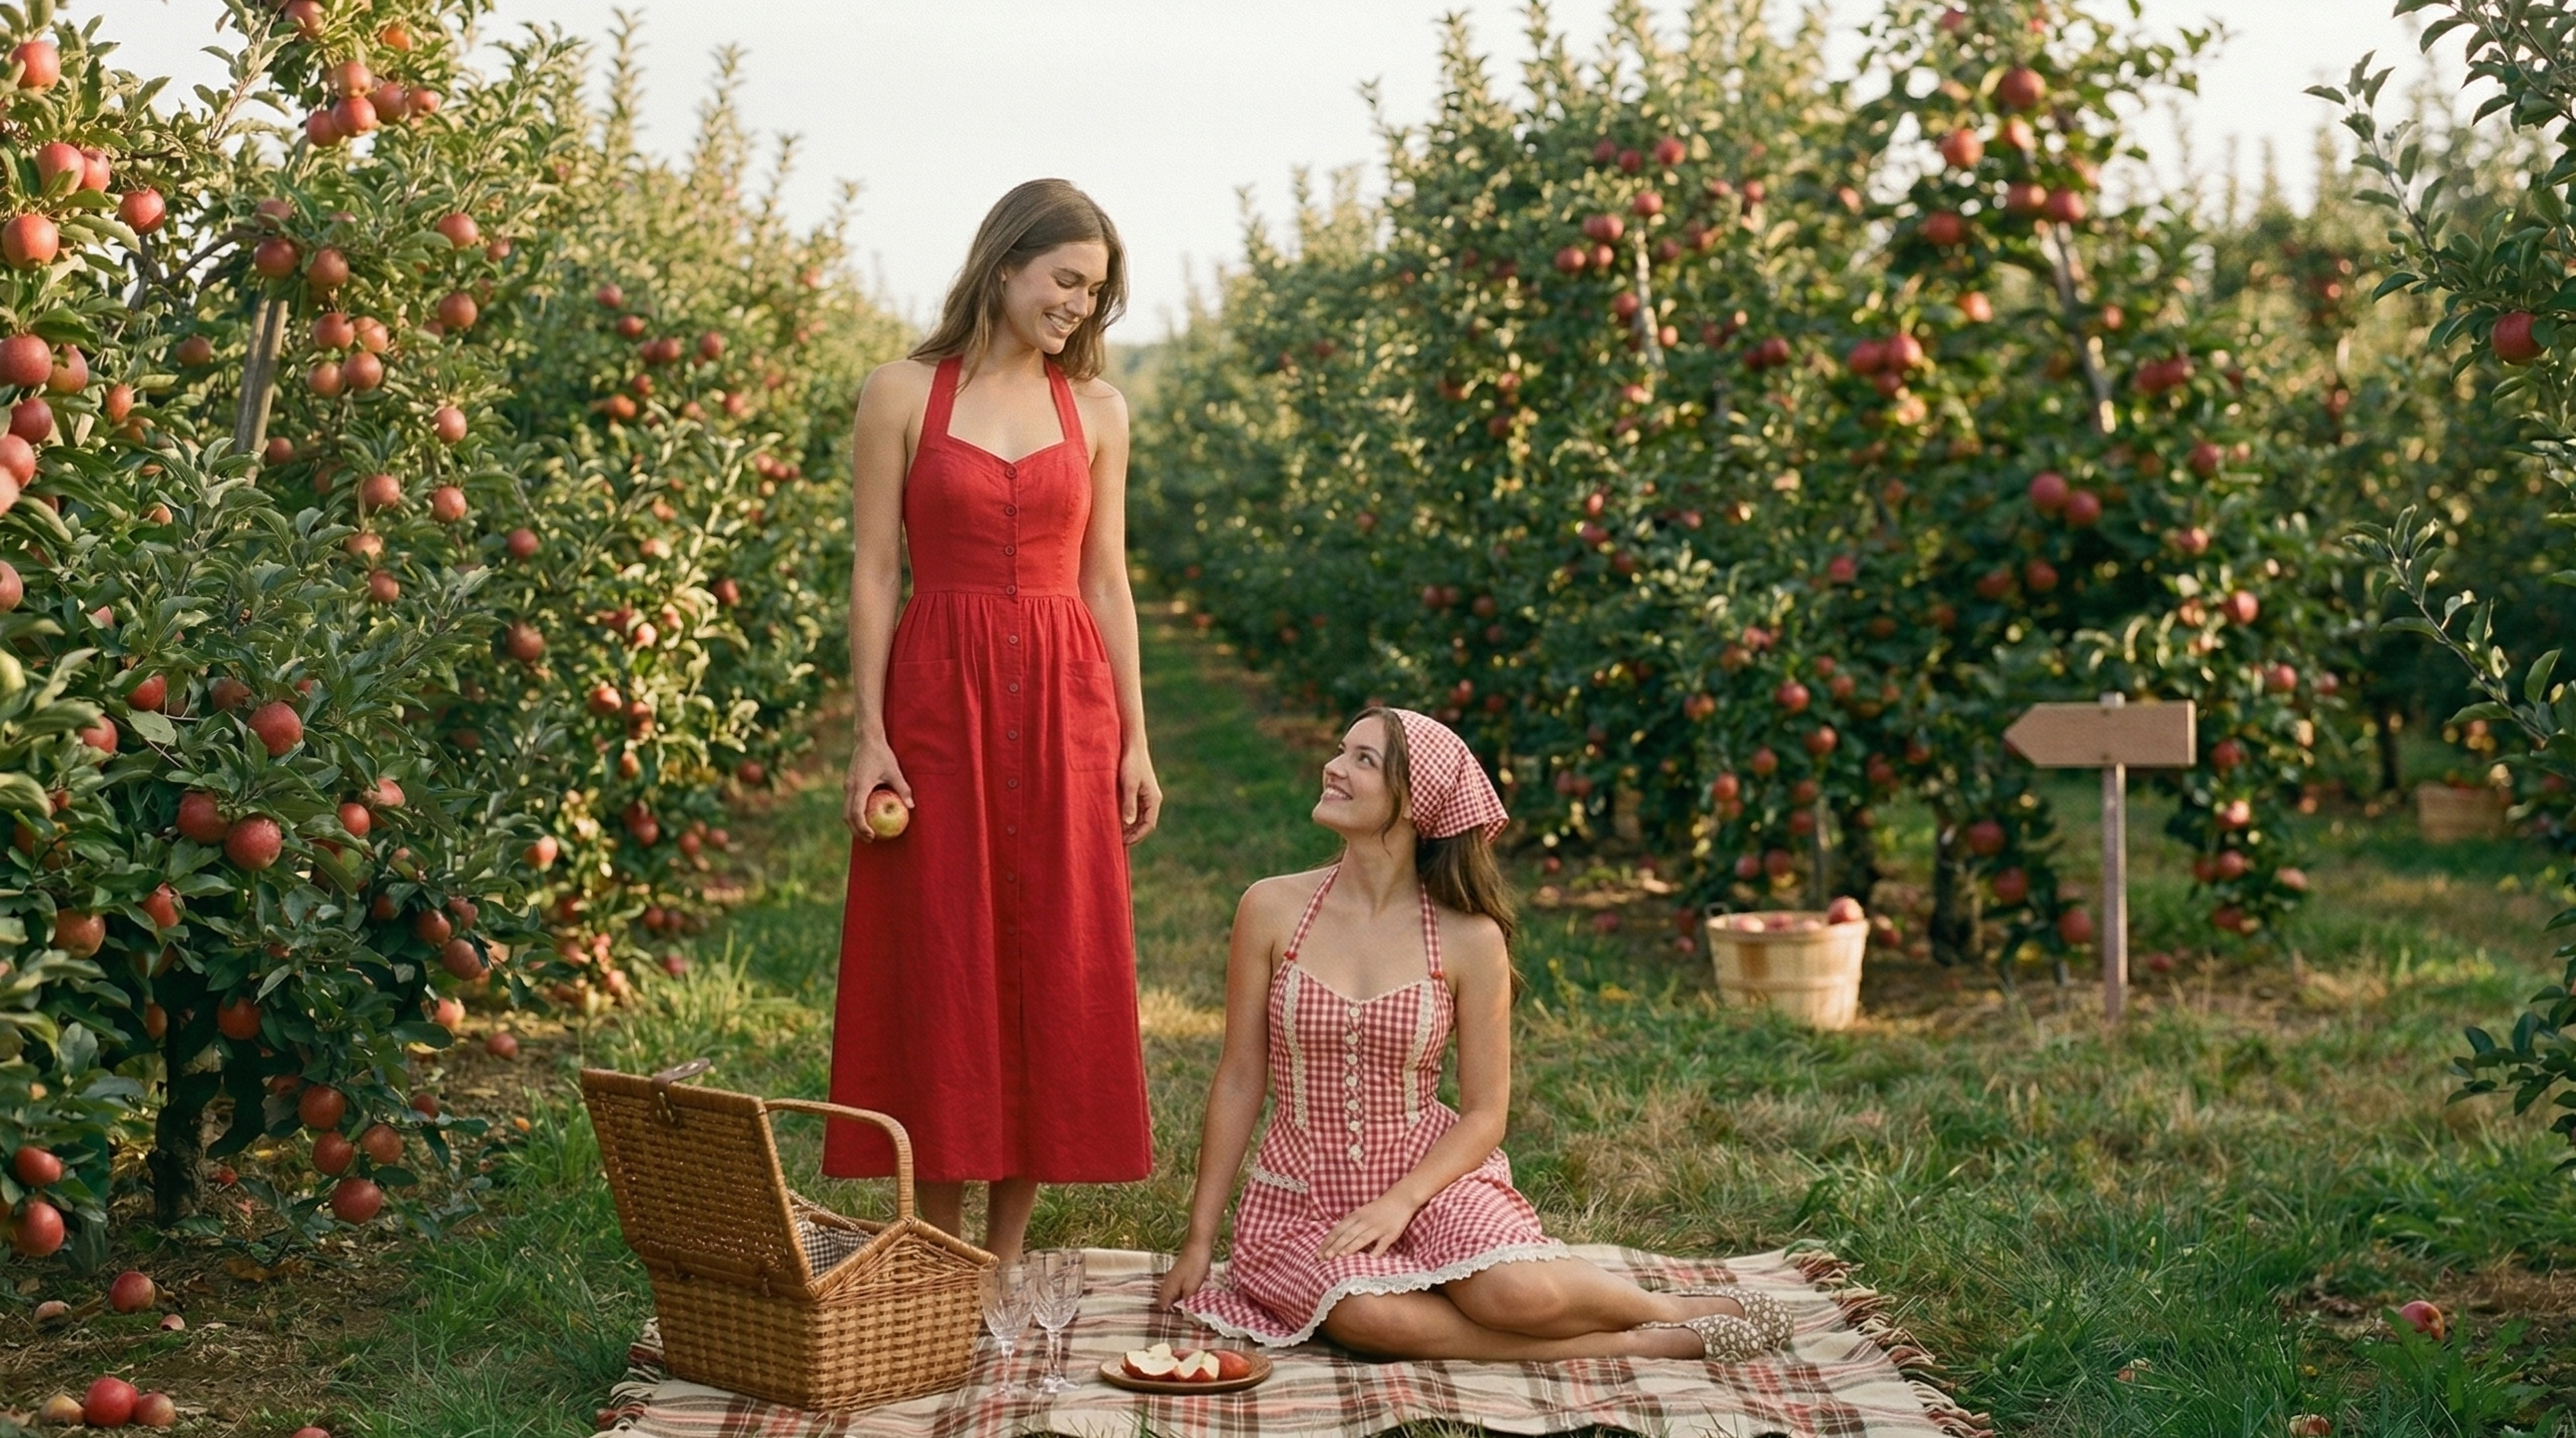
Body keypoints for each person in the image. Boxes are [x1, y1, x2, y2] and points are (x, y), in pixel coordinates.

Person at [1156, 708, 1794, 1360]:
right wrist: (1201, 1241)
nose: (1334, 767)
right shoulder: (1270, 907)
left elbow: (1487, 1113)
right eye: (1341, 750)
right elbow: (1240, 1078)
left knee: (1515, 1298)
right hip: (1304, 1202)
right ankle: (1641, 1345)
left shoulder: (1469, 939)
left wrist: (1400, 1203)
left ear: (1417, 801)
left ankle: (1667, 1308)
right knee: (1366, 1319)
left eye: (1363, 760)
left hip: (1433, 1177)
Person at [825, 179, 1161, 1262]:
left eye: (1096, 292)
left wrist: (1136, 739)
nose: (1078, 306)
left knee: (1052, 954)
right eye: (1065, 280)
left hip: (1067, 699)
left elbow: (1107, 581)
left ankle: (1003, 1260)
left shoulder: (1100, 411)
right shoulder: (900, 393)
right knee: (942, 951)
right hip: (938, 696)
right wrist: (868, 730)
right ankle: (935, 1238)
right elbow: (877, 571)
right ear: (1006, 262)